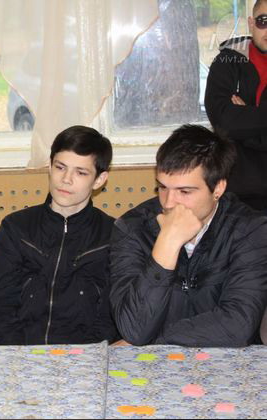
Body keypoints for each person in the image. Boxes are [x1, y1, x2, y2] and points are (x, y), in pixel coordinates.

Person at [110, 124, 267, 347]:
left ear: (218, 188)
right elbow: (134, 328)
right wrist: (166, 245)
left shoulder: (250, 230)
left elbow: (237, 326)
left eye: (184, 191)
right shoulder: (132, 228)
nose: (168, 202)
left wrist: (158, 339)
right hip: (154, 363)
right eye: (162, 187)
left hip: (225, 361)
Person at [0, 125, 119, 345]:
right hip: (21, 355)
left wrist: (84, 357)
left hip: (86, 357)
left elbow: (110, 316)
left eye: (81, 172)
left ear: (99, 180)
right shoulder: (16, 228)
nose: (66, 179)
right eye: (60, 167)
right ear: (50, 166)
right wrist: (19, 355)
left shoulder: (113, 236)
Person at [205, 0, 267, 211]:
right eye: (263, 21)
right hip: (234, 194)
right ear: (251, 23)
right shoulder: (227, 63)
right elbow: (224, 123)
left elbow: (233, 124)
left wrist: (244, 117)